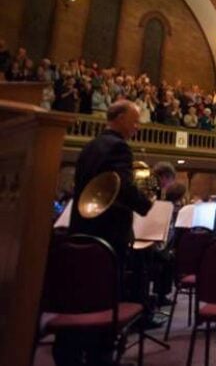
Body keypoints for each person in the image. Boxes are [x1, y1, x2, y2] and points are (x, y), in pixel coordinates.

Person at [59, 100, 154, 366]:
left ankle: (72, 349)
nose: (137, 126)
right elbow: (121, 186)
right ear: (119, 117)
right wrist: (145, 204)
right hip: (108, 232)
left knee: (82, 292)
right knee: (106, 293)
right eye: (134, 120)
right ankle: (100, 353)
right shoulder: (118, 147)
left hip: (83, 229)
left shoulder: (90, 146)